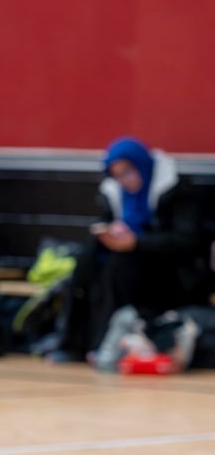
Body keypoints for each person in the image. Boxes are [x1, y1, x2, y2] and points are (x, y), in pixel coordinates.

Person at [46, 136, 211, 363]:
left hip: (175, 274)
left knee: (120, 265)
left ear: (141, 166)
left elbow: (188, 242)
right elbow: (109, 225)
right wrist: (109, 233)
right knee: (86, 262)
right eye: (117, 175)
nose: (124, 181)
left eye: (127, 172)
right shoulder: (115, 195)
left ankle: (107, 343)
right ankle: (73, 343)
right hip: (131, 264)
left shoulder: (178, 191)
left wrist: (138, 242)